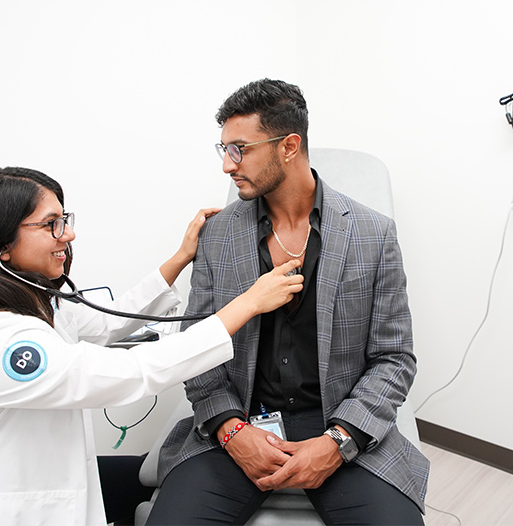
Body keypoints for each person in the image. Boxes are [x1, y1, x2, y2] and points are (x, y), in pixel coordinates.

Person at [0, 166, 302, 526]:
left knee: (140, 477)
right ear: (2, 246)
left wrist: (179, 258)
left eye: (63, 219)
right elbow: (129, 373)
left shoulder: (33, 305)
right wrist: (247, 303)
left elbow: (106, 323)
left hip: (25, 490)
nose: (68, 233)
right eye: (51, 225)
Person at [147, 79, 429, 525]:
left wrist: (338, 442)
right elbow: (197, 349)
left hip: (340, 421)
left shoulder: (373, 234)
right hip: (240, 421)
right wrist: (231, 430)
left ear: (289, 146)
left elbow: (394, 358)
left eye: (239, 149)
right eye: (222, 149)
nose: (226, 165)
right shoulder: (218, 236)